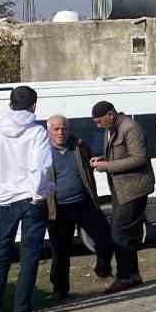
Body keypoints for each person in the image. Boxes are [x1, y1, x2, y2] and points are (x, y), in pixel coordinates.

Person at [0, 85, 52, 312]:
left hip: (4, 200)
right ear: (34, 106)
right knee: (29, 254)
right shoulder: (37, 132)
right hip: (31, 199)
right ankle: (22, 308)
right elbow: (41, 167)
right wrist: (38, 194)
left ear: (10, 104)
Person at [45, 114, 115, 301]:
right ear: (49, 131)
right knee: (60, 251)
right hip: (58, 208)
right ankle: (60, 290)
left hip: (84, 202)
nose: (61, 132)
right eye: (57, 129)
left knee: (105, 236)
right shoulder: (41, 151)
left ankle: (103, 268)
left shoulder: (79, 146)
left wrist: (98, 161)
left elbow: (92, 160)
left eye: (64, 128)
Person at [91, 100, 153, 294]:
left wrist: (107, 166)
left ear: (111, 114)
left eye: (100, 121)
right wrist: (104, 159)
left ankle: (124, 277)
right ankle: (133, 275)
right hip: (120, 189)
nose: (98, 126)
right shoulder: (112, 129)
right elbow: (120, 156)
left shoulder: (130, 128)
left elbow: (139, 158)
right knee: (127, 233)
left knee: (119, 233)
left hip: (134, 188)